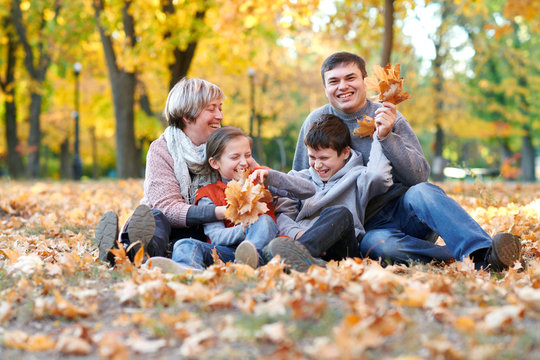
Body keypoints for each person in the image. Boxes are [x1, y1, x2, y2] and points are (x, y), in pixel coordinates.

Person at [291, 51, 521, 271]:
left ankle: (485, 252)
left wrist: (387, 137)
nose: (343, 86)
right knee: (382, 247)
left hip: (406, 210)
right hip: (367, 227)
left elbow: (419, 175)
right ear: (325, 87)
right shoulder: (316, 121)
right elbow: (302, 181)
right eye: (334, 81)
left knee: (423, 191)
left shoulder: (387, 113)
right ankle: (455, 256)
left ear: (365, 80)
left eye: (350, 78)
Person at [95, 77, 228, 272]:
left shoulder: (226, 147)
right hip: (166, 227)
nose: (219, 115)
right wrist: (218, 211)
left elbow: (252, 178)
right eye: (211, 108)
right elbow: (167, 207)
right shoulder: (162, 149)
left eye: (220, 108)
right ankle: (136, 251)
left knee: (212, 233)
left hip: (206, 231)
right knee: (155, 217)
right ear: (187, 115)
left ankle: (123, 255)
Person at [170, 126, 316, 269]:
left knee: (263, 219)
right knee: (184, 244)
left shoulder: (260, 178)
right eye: (235, 157)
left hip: (267, 250)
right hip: (228, 254)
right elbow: (216, 237)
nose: (244, 162)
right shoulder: (208, 194)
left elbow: (308, 190)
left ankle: (249, 262)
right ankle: (188, 271)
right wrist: (243, 230)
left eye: (247, 155)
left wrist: (272, 177)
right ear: (214, 163)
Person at [267, 114, 393, 272]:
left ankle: (292, 256)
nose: (318, 165)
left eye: (324, 158)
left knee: (340, 212)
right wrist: (298, 233)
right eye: (312, 157)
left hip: (342, 250)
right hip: (304, 239)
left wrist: (379, 137)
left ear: (346, 153)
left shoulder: (358, 177)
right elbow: (283, 215)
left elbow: (379, 176)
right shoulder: (298, 179)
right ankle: (308, 261)